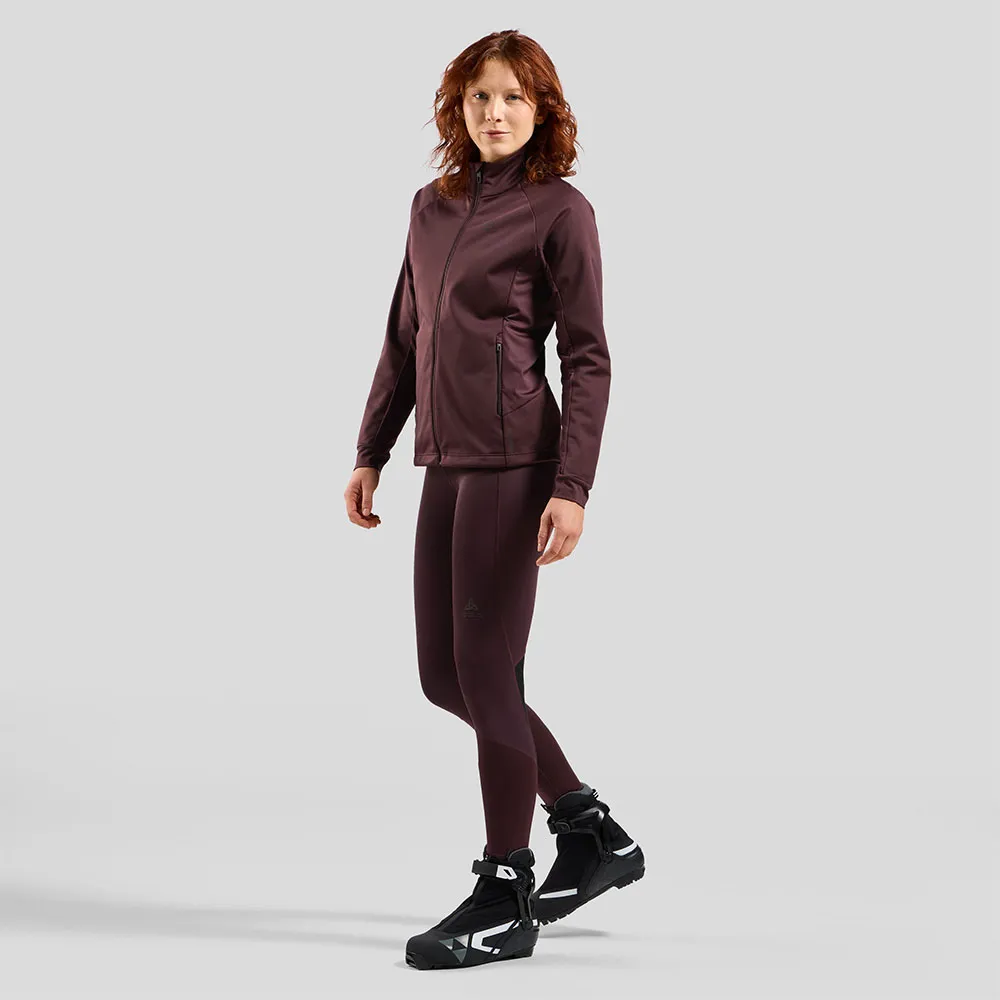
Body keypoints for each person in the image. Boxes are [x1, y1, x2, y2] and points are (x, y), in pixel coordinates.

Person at [344, 30, 644, 971]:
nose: (495, 112)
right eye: (480, 96)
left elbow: (588, 356)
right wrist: (371, 448)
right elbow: (406, 334)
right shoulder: (429, 208)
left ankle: (506, 890)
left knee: (486, 673)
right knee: (447, 677)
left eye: (514, 96)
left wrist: (572, 485)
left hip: (518, 463)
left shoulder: (561, 210)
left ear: (542, 109)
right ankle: (589, 831)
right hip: (444, 459)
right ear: (458, 107)